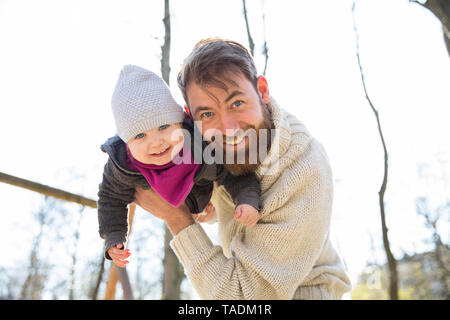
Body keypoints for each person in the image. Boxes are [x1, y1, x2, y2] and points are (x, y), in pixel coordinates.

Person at [133, 38, 352, 299]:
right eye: (207, 114)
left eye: (237, 103)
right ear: (191, 117)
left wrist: (177, 218)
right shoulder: (204, 144)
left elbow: (245, 299)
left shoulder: (303, 170)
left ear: (262, 90)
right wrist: (208, 205)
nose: (228, 129)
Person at [97, 65, 261, 267]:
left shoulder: (200, 145)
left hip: (205, 205)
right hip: (174, 219)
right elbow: (110, 198)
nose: (157, 142)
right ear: (126, 142)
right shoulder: (121, 165)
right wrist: (114, 235)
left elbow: (235, 173)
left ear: (180, 123)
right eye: (140, 135)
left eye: (164, 127)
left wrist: (247, 200)